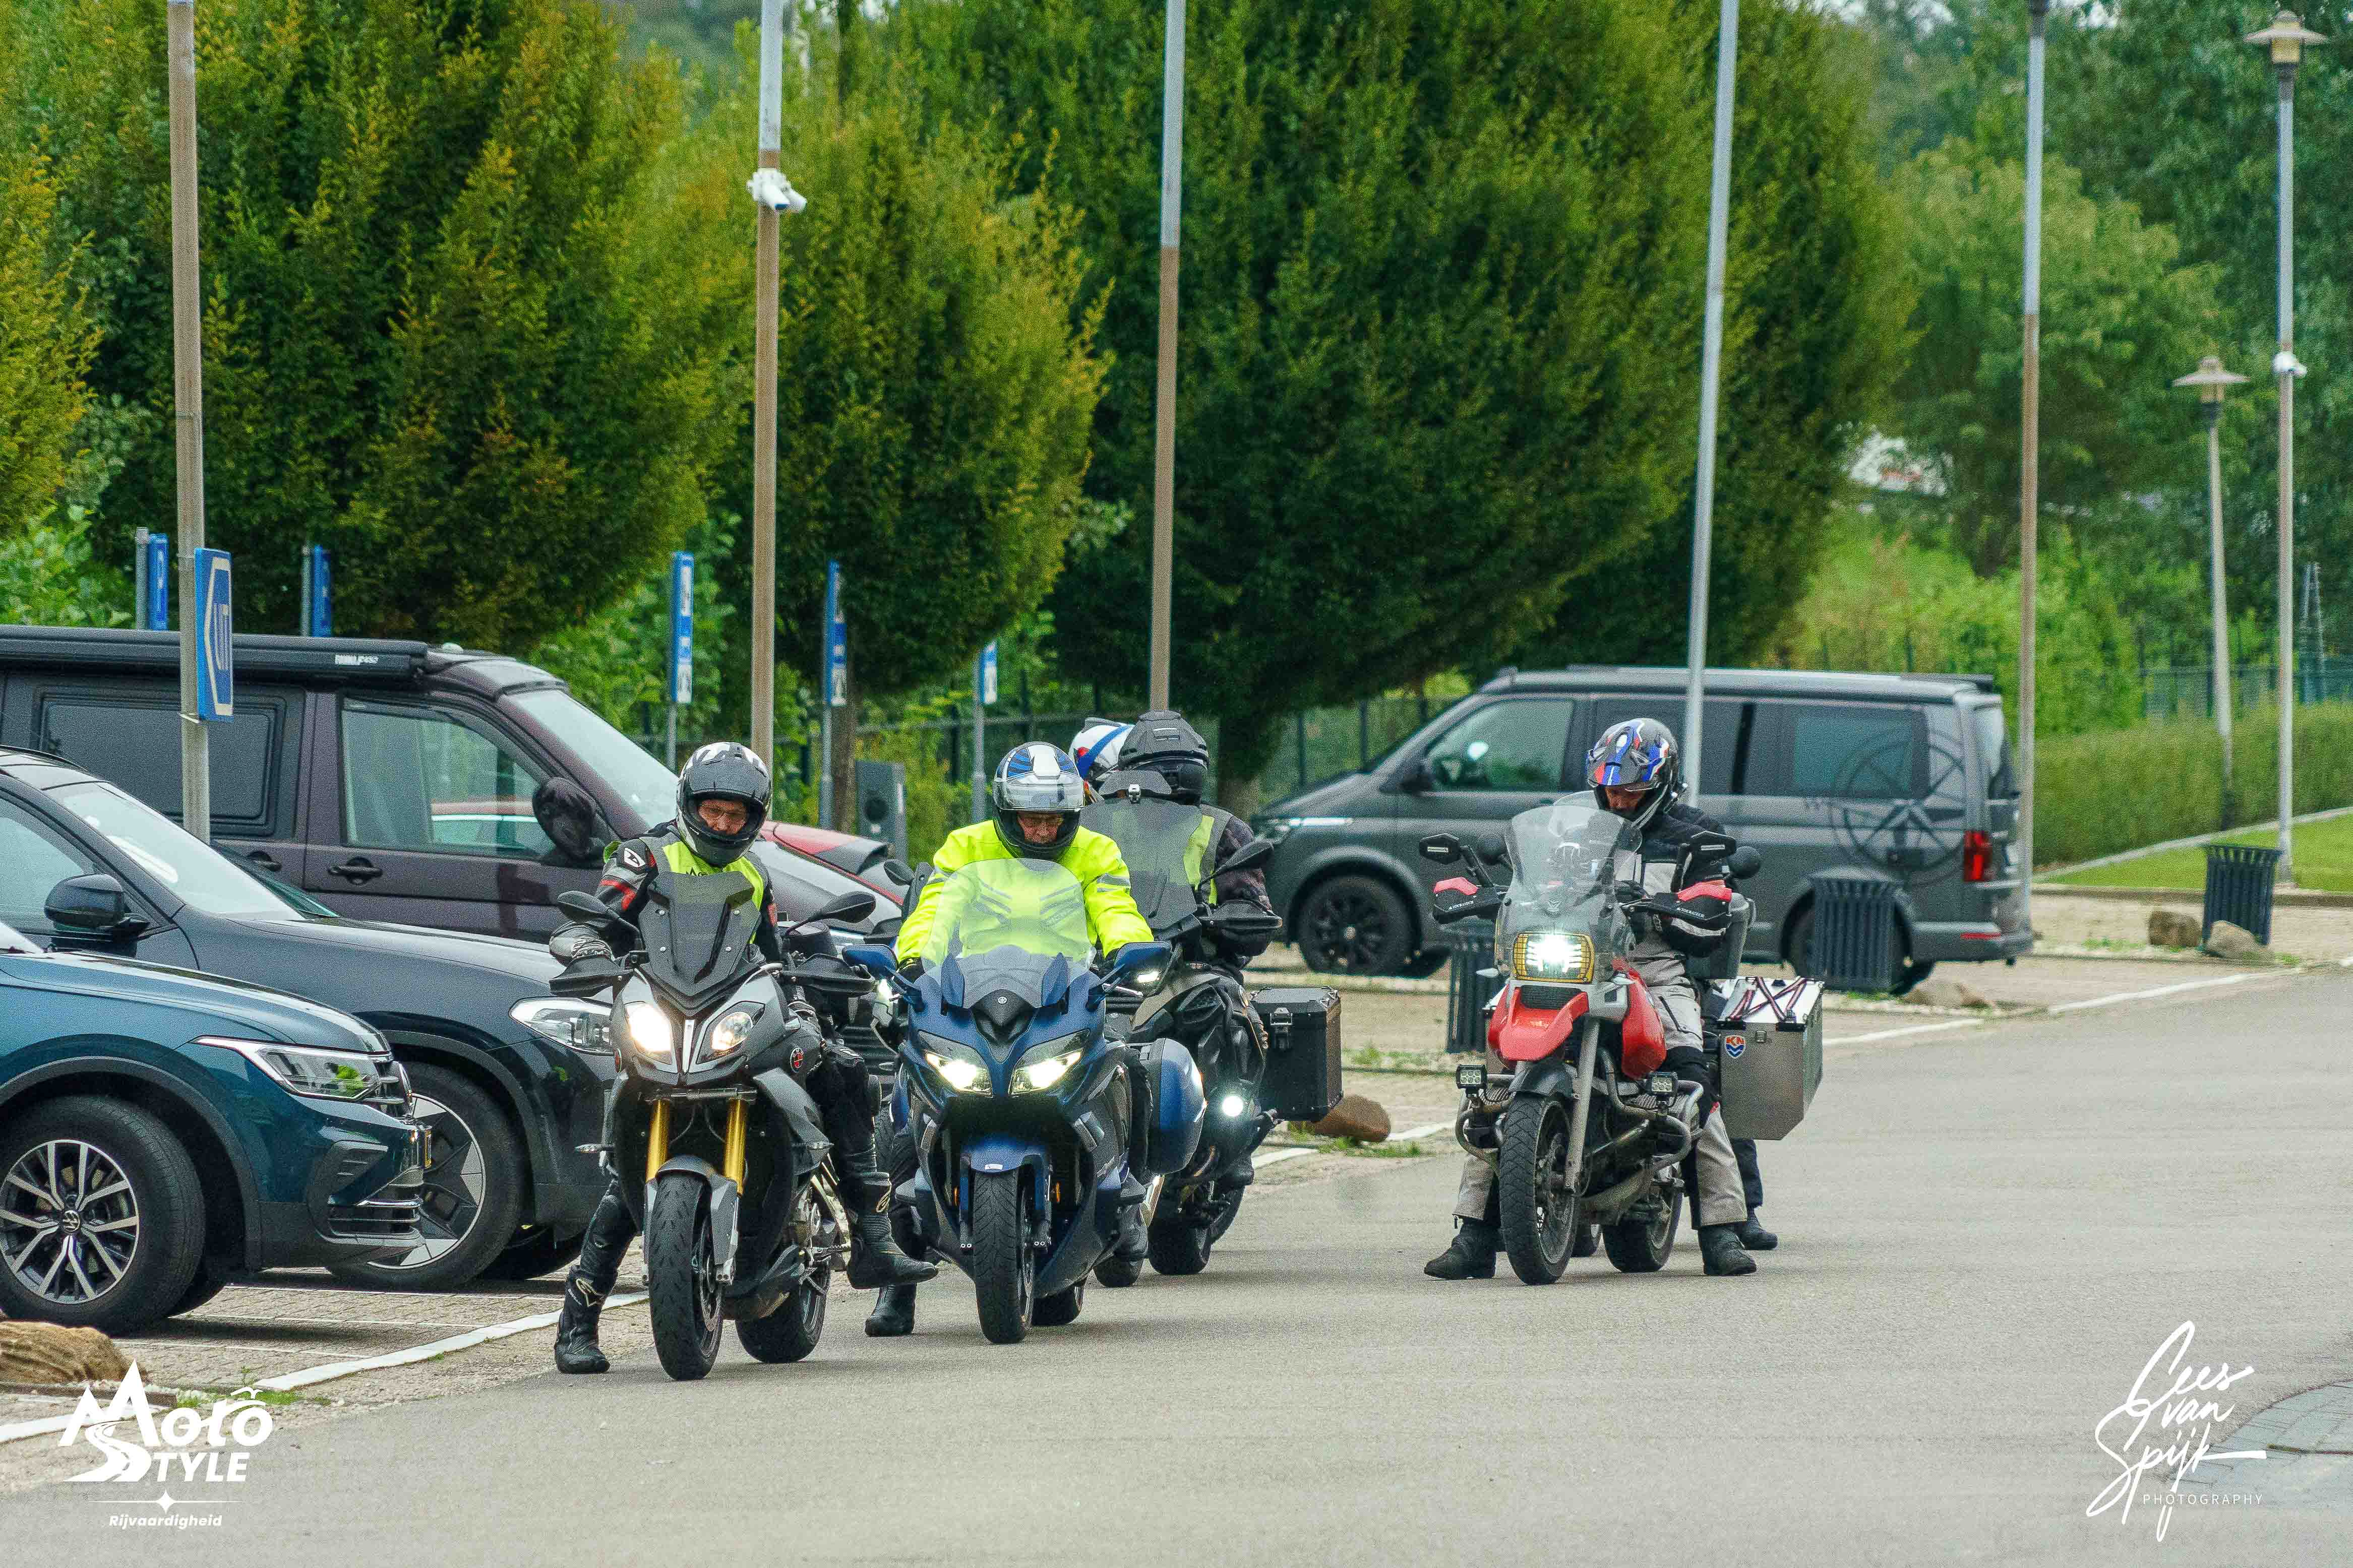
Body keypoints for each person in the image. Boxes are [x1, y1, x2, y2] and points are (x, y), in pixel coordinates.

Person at [551, 742, 935, 1374]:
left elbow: (770, 949)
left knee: (842, 1069)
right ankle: (577, 1321)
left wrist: (807, 981)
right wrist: (584, 944)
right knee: (626, 1173)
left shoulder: (753, 872)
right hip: (662, 1013)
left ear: (754, 818)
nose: (724, 823)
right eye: (714, 811)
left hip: (729, 1015)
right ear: (689, 803)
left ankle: (872, 1235)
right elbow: (598, 915)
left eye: (737, 814)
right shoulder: (644, 855)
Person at [1425, 717, 1760, 1281]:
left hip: (1651, 970)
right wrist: (1494, 896)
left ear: (1662, 785)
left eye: (1633, 790)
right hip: (1570, 960)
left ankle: (1721, 1229)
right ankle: (1474, 1235)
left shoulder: (1693, 835)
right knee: (1496, 1082)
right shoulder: (1569, 823)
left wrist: (1682, 907)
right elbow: (1531, 881)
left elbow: (1710, 909)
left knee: (1691, 1081)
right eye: (1610, 788)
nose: (1620, 798)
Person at [865, 741, 1156, 1337]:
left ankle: (1129, 1198)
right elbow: (936, 908)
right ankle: (897, 1285)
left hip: (1064, 996)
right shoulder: (965, 847)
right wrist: (914, 958)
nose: (1043, 830)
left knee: (1129, 1066)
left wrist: (1129, 947)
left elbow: (1113, 906)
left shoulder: (1096, 851)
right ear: (1005, 812)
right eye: (1030, 818)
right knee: (904, 1102)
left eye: (1054, 819)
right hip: (970, 996)